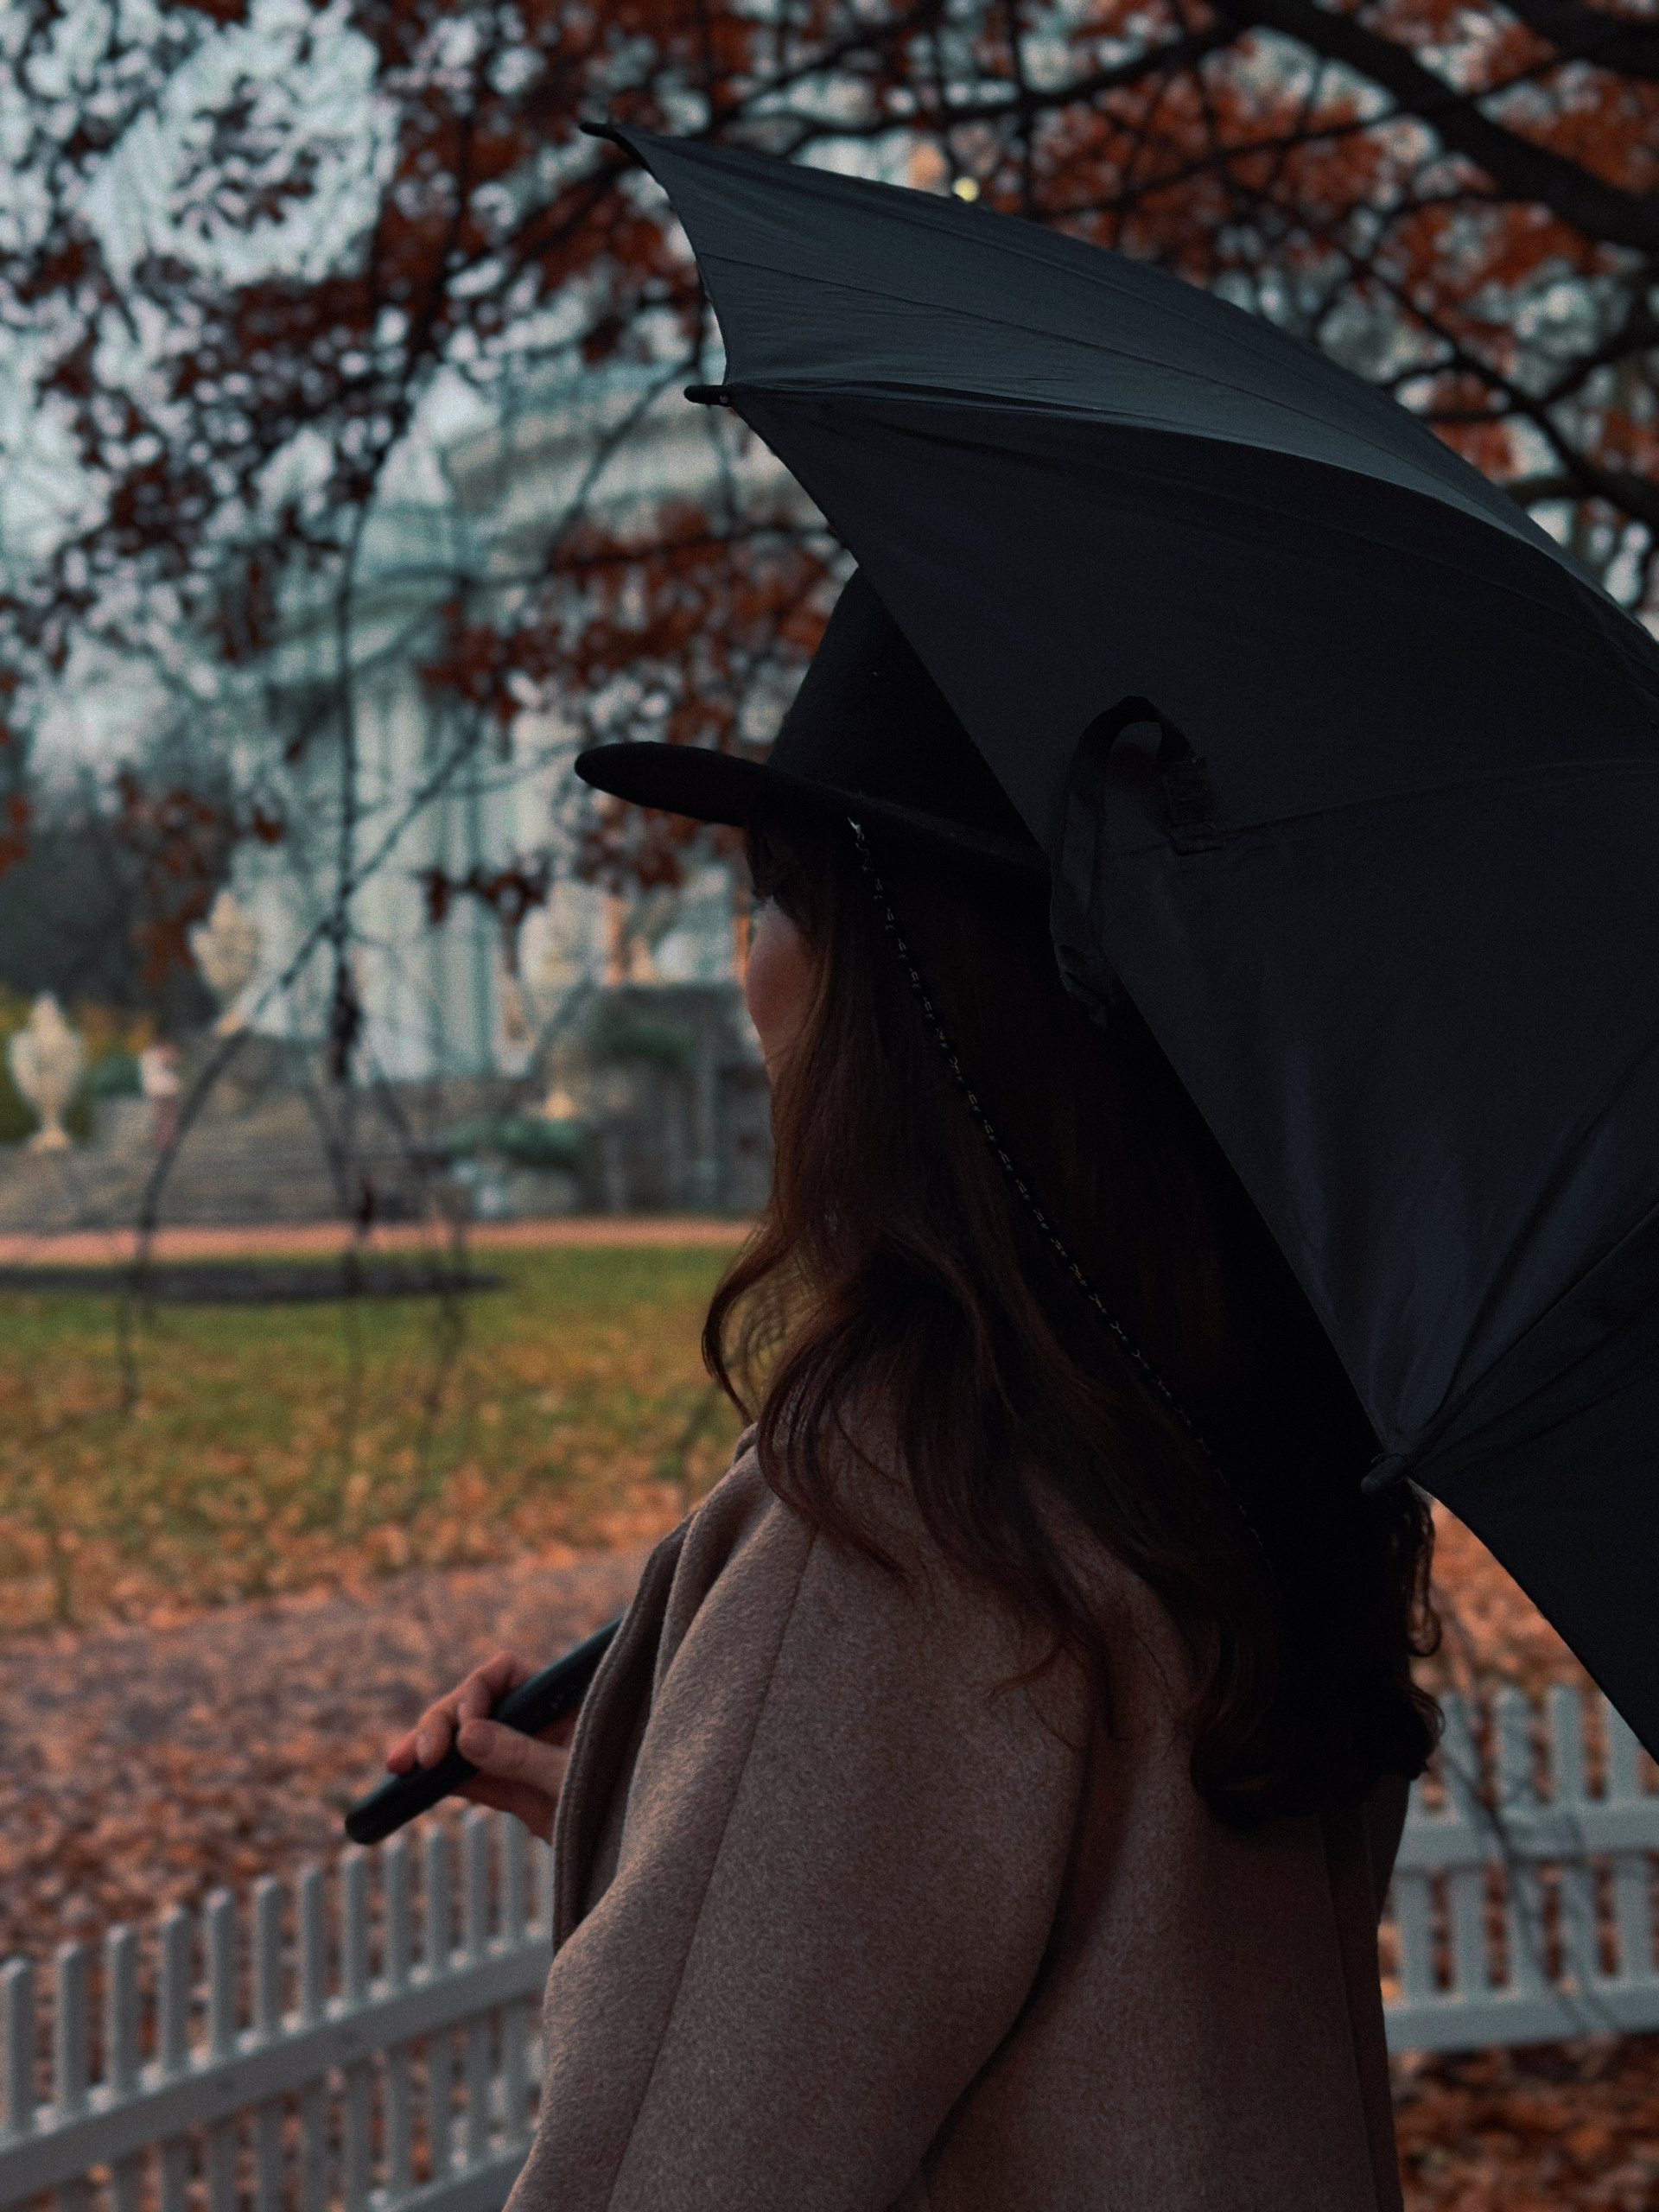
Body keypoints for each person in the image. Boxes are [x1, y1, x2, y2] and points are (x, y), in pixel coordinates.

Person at [387, 572, 1440, 2210]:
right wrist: (699, 1812)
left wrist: (769, 1771)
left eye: (775, 896)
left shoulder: (904, 1507)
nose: (749, 970)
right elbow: (1089, 1978)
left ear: (909, 984)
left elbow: (683, 2171)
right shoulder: (1249, 1437)